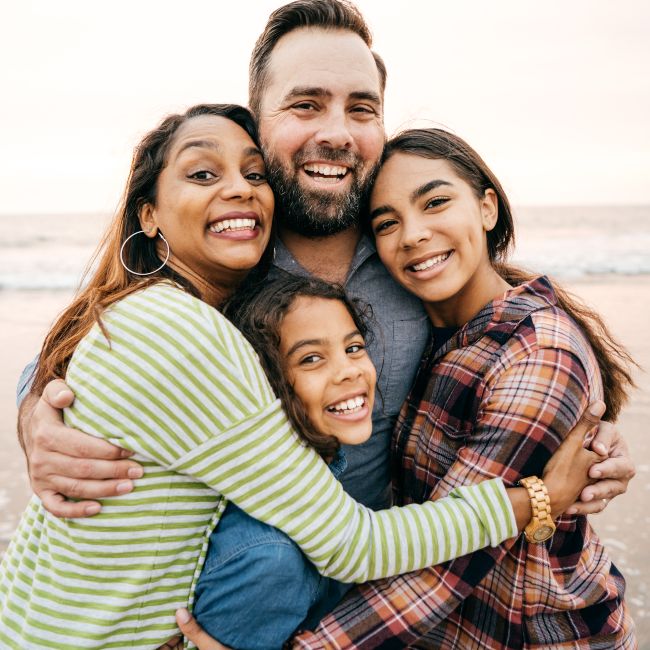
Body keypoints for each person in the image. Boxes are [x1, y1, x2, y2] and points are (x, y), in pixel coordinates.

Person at [0, 103, 599, 650]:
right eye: (203, 175)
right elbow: (353, 543)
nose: (238, 188)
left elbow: (484, 312)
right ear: (148, 215)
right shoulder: (183, 330)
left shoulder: (171, 309)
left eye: (253, 175)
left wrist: (571, 390)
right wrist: (537, 500)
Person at [16, 1, 634, 522]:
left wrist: (586, 430)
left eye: (361, 109)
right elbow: (90, 336)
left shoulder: (408, 248)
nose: (337, 132)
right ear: (256, 122)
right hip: (243, 596)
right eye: (306, 105)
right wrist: (35, 419)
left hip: (386, 592)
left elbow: (503, 334)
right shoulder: (227, 250)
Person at [286, 128, 636, 647]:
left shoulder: (540, 352)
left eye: (436, 202)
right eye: (388, 223)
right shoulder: (410, 331)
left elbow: (448, 563)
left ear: (487, 208)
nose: (413, 234)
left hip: (535, 633)